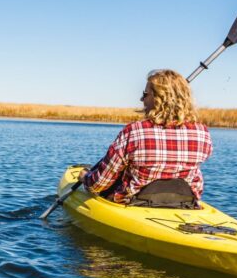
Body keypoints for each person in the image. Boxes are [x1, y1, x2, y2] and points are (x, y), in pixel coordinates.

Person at [79, 69, 212, 207]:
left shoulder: (134, 131)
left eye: (145, 94)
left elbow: (99, 184)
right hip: (186, 203)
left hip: (135, 203)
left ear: (158, 98)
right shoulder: (203, 132)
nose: (141, 99)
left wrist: (85, 178)